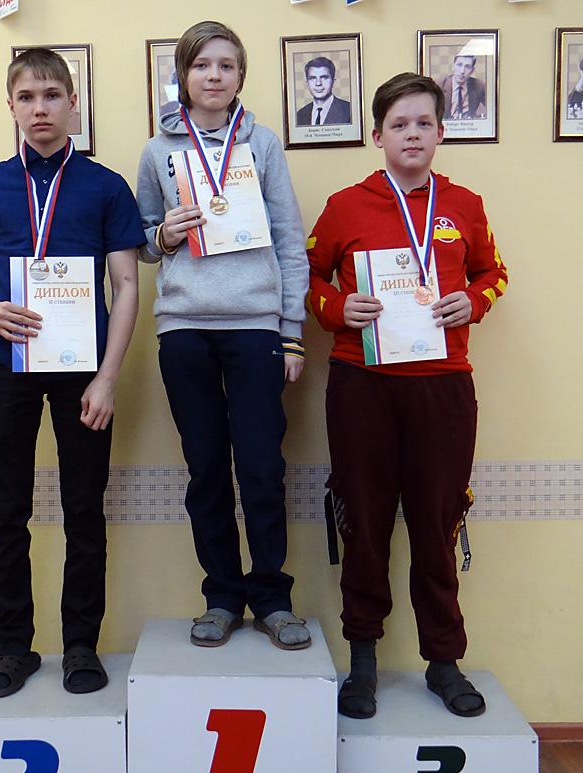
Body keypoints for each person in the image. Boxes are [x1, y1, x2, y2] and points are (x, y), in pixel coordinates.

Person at [0, 48, 145, 698]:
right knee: (7, 512)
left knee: (84, 510)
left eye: (52, 96)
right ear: (11, 107)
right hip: (8, 364)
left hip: (83, 372)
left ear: (73, 104)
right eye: (26, 97)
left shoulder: (106, 186)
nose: (40, 108)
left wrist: (108, 377)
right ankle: (13, 649)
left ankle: (81, 646)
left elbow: (127, 284)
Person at [307, 72, 507, 718]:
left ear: (441, 132)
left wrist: (472, 300)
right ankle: (362, 659)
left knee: (436, 523)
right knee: (363, 522)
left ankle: (443, 661)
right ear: (377, 136)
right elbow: (307, 278)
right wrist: (337, 307)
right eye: (399, 125)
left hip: (442, 387)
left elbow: (493, 273)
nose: (411, 134)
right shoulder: (345, 206)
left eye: (423, 123)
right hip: (361, 384)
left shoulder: (464, 205)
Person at [136, 20, 311, 651]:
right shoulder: (157, 151)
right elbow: (141, 242)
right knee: (206, 469)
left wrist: (291, 332)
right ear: (183, 75)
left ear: (240, 76)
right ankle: (221, 597)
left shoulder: (261, 144)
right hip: (184, 328)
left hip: (255, 325)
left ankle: (272, 599)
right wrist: (164, 234)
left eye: (226, 65)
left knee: (262, 467)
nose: (214, 75)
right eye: (202, 65)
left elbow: (289, 239)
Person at [296, 57, 351, 126]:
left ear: (333, 81)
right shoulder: (299, 115)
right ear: (307, 83)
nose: (318, 83)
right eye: (312, 78)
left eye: (324, 78)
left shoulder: (349, 110)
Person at [438, 54, 486, 120]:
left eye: (467, 67)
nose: (462, 71)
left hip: (469, 125)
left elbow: (493, 107)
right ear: (453, 67)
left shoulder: (479, 85)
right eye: (459, 65)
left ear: (472, 71)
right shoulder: (439, 85)